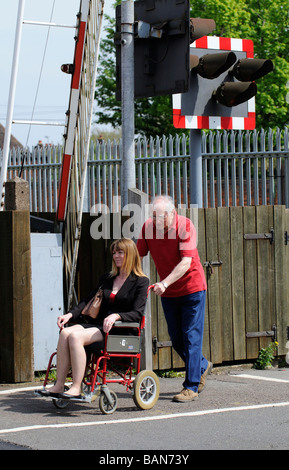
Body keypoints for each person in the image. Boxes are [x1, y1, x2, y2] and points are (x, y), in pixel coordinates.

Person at [38, 238, 149, 400]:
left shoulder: (140, 281)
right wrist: (69, 314)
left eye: (120, 252)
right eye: (114, 253)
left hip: (119, 329)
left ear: (130, 255)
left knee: (75, 337)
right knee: (65, 333)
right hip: (99, 326)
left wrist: (117, 315)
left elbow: (137, 313)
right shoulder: (107, 278)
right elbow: (88, 300)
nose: (116, 256)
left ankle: (76, 387)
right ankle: (59, 384)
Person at [137, 195, 212, 402]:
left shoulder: (185, 226)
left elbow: (186, 262)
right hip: (169, 293)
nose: (156, 221)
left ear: (171, 213)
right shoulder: (148, 228)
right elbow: (138, 254)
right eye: (153, 216)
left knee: (191, 337)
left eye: (159, 216)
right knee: (177, 339)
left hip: (192, 289)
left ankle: (191, 387)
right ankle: (202, 366)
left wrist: (165, 283)